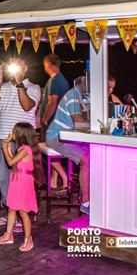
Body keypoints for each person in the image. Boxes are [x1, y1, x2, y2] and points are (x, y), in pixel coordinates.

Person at [0, 59, 40, 229]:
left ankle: (21, 214)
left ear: (26, 69)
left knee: (21, 179)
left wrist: (19, 83)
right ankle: (11, 213)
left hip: (23, 141)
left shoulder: (33, 87)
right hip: (4, 138)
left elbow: (27, 106)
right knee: (3, 177)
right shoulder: (3, 86)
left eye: (19, 66)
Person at [45, 76, 91, 214]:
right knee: (87, 160)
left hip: (73, 138)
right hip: (57, 138)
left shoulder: (86, 96)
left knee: (99, 154)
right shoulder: (73, 95)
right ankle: (85, 203)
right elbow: (78, 121)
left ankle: (96, 196)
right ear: (84, 82)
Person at [0, 123, 44, 252]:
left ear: (21, 135)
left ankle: (28, 239)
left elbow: (10, 162)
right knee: (12, 208)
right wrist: (8, 148)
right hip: (16, 180)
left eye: (14, 132)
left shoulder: (25, 149)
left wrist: (4, 148)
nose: (12, 134)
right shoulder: (22, 148)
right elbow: (13, 161)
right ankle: (8, 235)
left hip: (23, 182)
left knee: (23, 211)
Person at [39, 54, 70, 136]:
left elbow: (52, 103)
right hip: (59, 121)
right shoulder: (62, 79)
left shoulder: (54, 80)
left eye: (44, 64)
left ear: (48, 64)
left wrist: (45, 119)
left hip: (51, 122)